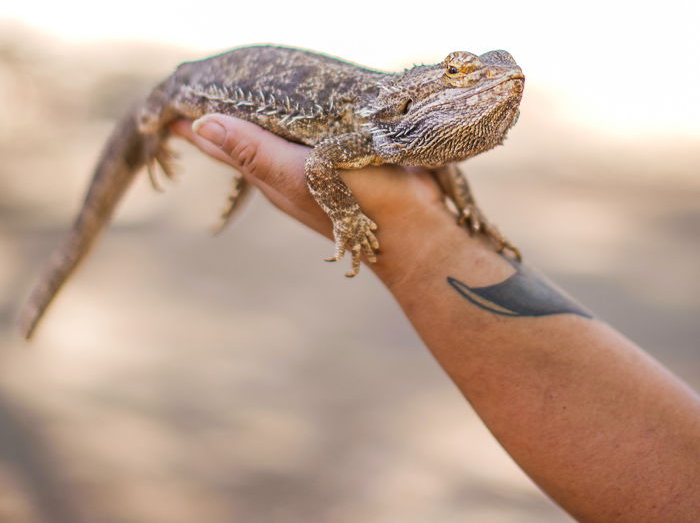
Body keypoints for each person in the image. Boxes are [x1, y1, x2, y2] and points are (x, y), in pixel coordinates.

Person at [171, 114, 700, 522]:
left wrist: (415, 231)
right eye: (458, 73)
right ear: (413, 97)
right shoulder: (378, 126)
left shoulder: (405, 141)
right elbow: (322, 161)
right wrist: (354, 219)